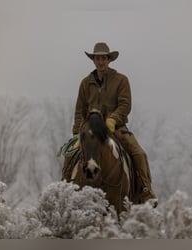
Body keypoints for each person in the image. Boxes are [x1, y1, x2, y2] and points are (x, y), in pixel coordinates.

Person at [63, 42, 156, 204]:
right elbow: (79, 110)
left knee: (139, 154)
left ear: (109, 60)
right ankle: (63, 188)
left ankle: (145, 190)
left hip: (116, 128)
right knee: (69, 154)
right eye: (98, 58)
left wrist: (113, 119)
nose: (101, 61)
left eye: (104, 58)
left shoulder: (121, 80)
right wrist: (77, 133)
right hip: (89, 130)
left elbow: (125, 105)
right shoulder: (85, 83)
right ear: (93, 60)